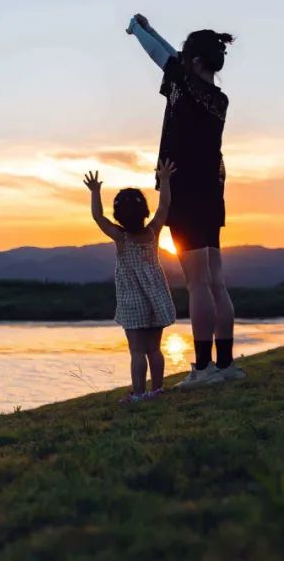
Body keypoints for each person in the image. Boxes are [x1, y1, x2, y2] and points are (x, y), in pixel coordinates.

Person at [126, 13, 244, 386]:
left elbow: (160, 56)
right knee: (215, 282)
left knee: (196, 284)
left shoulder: (185, 85)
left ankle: (204, 370)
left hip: (185, 192)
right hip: (211, 193)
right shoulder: (218, 98)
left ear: (194, 61)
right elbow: (171, 55)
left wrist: (137, 29)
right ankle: (225, 367)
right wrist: (150, 29)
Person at [84, 161, 177, 404]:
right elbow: (164, 205)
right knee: (154, 349)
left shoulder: (120, 237)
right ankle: (156, 390)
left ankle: (138, 394)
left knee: (137, 351)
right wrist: (164, 179)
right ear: (144, 212)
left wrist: (95, 191)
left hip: (132, 302)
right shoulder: (154, 233)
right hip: (156, 297)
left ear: (119, 217)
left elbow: (97, 216)